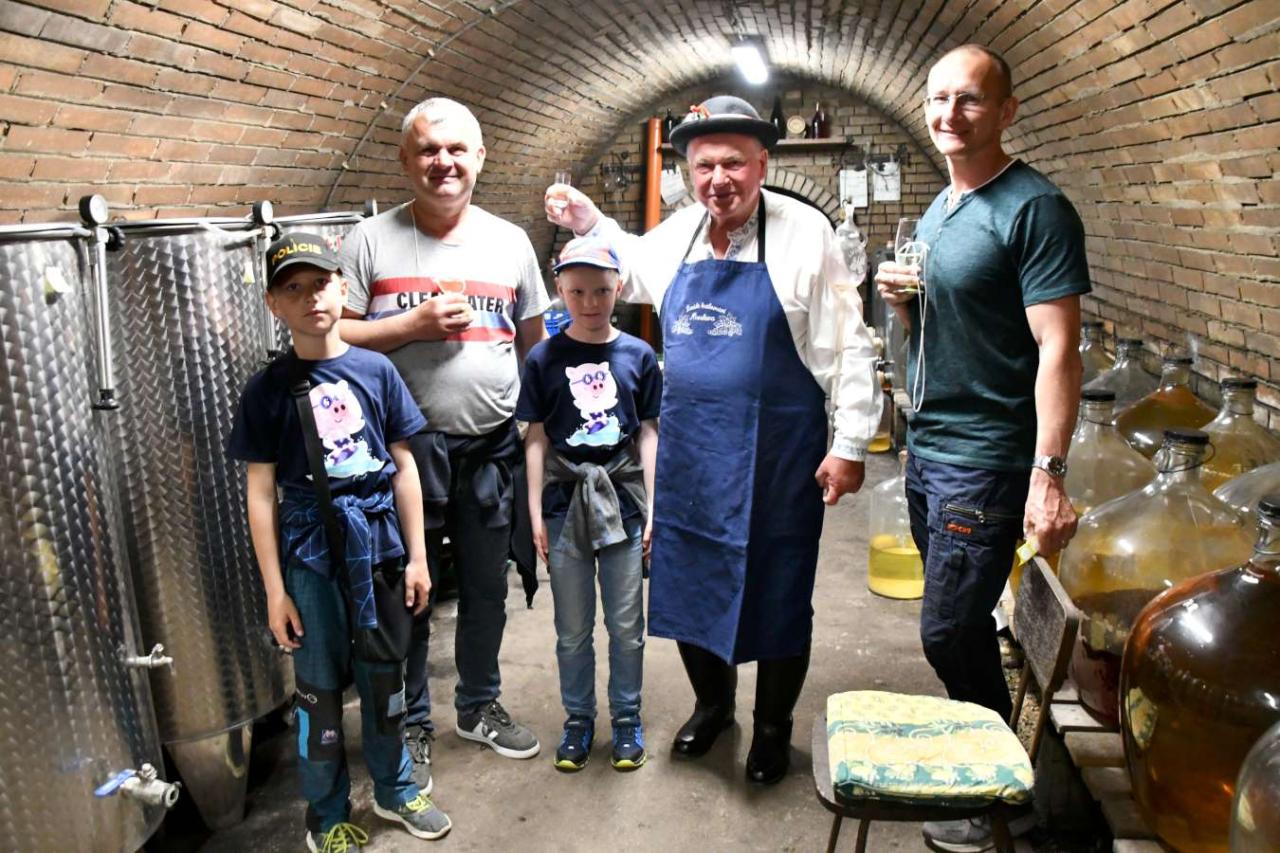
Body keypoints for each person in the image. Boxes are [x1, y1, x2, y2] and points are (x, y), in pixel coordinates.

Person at [545, 96, 882, 785]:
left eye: (733, 163)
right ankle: (714, 706)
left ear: (762, 163)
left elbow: (849, 345)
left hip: (778, 454)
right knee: (692, 579)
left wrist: (850, 443)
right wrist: (589, 222)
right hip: (693, 453)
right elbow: (633, 264)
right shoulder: (682, 233)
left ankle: (772, 728)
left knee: (780, 586)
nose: (718, 179)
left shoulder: (804, 232)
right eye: (704, 166)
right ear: (687, 172)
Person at [875, 44, 1089, 851]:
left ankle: (1004, 793)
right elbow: (955, 326)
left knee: (946, 629)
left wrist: (1048, 474)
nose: (949, 114)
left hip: (986, 456)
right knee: (959, 627)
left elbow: (1059, 348)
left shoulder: (1035, 209)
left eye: (969, 99)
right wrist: (906, 307)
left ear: (1006, 111)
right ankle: (986, 762)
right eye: (938, 98)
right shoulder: (942, 209)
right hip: (932, 448)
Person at [339, 97, 548, 780]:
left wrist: (533, 429)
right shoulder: (370, 240)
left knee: (487, 586)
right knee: (411, 590)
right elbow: (336, 334)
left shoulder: (510, 242)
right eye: (428, 149)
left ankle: (477, 704)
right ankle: (412, 721)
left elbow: (533, 342)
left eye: (457, 149)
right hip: (402, 453)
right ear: (406, 159)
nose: (443, 162)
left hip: (489, 447)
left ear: (480, 157)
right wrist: (412, 326)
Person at [228, 233, 451, 851]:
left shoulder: (376, 370)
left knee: (384, 677)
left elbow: (403, 466)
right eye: (293, 288)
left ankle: (395, 788)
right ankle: (325, 814)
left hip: (378, 545)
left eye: (321, 283)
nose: (311, 298)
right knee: (318, 690)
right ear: (273, 304)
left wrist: (417, 557)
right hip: (309, 554)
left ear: (343, 288)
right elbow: (261, 493)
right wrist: (276, 592)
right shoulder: (267, 390)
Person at [516, 237, 661, 772]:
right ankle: (578, 719)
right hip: (564, 504)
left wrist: (655, 506)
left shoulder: (638, 355)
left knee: (626, 624)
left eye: (601, 290)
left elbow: (649, 433)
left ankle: (626, 718)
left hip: (622, 501)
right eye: (577, 291)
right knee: (572, 627)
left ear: (618, 287)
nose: (590, 302)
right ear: (559, 289)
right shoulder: (543, 358)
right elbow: (536, 438)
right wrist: (535, 512)